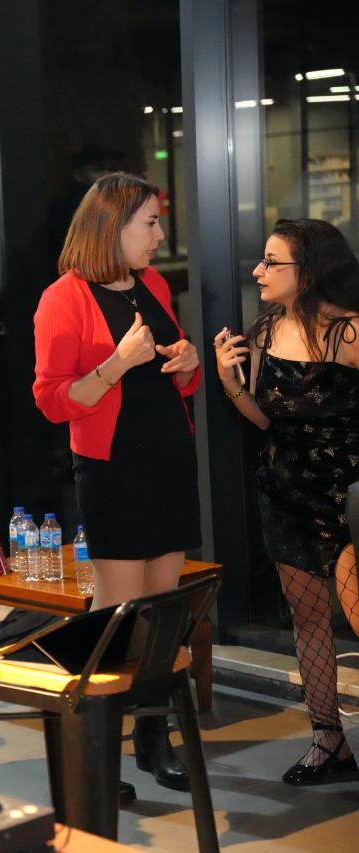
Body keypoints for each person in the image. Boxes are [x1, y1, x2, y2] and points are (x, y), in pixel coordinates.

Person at [32, 172, 201, 797]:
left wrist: (187, 365)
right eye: (149, 223)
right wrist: (116, 364)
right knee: (119, 617)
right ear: (113, 226)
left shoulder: (153, 284)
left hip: (168, 459)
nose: (159, 235)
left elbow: (178, 379)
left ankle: (153, 740)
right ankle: (96, 752)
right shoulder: (63, 298)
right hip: (114, 468)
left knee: (163, 613)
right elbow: (53, 400)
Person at [215, 218, 359, 785]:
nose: (258, 271)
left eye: (271, 262)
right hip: (285, 492)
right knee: (308, 619)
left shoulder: (350, 332)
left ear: (310, 269)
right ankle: (329, 743)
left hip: (347, 501)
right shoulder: (268, 329)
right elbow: (263, 420)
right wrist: (229, 380)